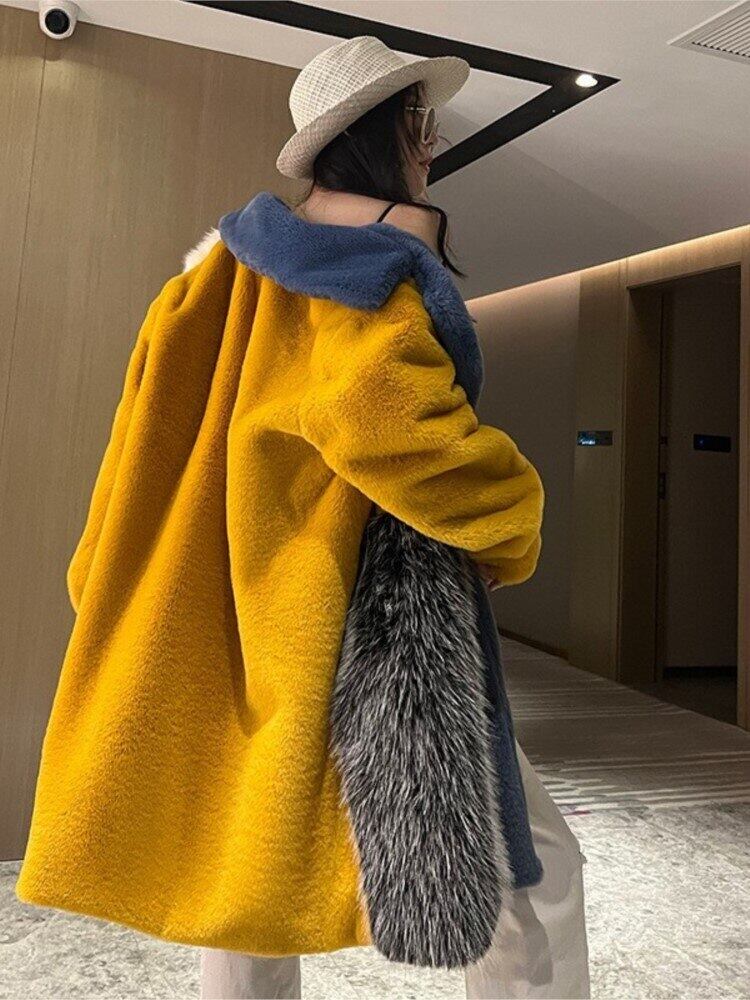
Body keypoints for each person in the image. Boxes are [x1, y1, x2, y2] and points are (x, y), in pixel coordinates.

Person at [15, 34, 590, 1000]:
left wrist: (104, 582)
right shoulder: (363, 276)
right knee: (524, 872)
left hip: (217, 613)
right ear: (395, 131)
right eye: (424, 123)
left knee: (240, 873)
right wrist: (512, 520)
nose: (433, 144)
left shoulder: (205, 281)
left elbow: (133, 449)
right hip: (356, 623)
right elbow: (400, 433)